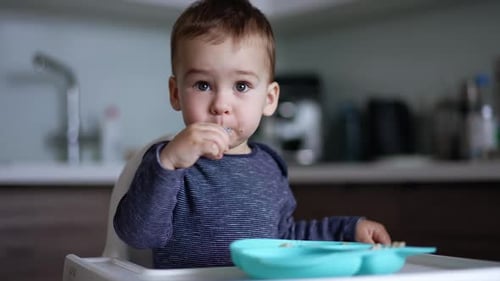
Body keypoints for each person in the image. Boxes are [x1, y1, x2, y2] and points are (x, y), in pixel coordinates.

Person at [113, 0, 391, 269]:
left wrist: (347, 230)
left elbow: (284, 241)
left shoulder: (269, 166)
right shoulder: (168, 163)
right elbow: (138, 236)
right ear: (176, 94)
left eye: (242, 86)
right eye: (202, 85)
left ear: (269, 99)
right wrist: (170, 162)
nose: (221, 104)